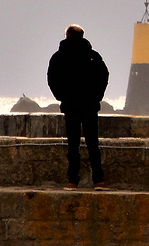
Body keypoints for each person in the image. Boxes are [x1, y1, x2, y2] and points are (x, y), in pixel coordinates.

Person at [47, 24, 110, 190]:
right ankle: (99, 180)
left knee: (72, 145)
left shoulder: (58, 57)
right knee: (93, 144)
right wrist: (97, 96)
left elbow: (51, 79)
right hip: (90, 105)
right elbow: (104, 76)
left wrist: (61, 96)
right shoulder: (93, 56)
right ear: (82, 36)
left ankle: (72, 181)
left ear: (66, 35)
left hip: (70, 105)